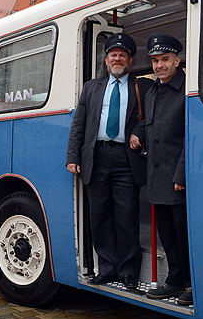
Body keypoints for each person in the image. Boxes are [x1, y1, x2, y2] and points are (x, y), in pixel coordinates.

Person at [66, 33, 154, 290]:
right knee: (100, 217)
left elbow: (152, 119)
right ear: (106, 60)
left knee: (126, 217)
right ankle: (106, 269)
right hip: (96, 157)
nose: (118, 59)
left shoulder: (144, 87)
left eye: (122, 55)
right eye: (113, 55)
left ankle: (128, 272)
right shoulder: (91, 88)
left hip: (127, 158)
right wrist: (72, 156)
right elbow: (78, 125)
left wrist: (139, 131)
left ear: (130, 60)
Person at [130, 33, 192, 306]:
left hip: (177, 177)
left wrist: (181, 175)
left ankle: (191, 284)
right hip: (157, 177)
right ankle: (175, 281)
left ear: (177, 61)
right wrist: (136, 131)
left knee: (184, 235)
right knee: (166, 234)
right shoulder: (153, 90)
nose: (159, 66)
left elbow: (190, 136)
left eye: (165, 60)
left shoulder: (188, 90)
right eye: (155, 61)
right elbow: (150, 121)